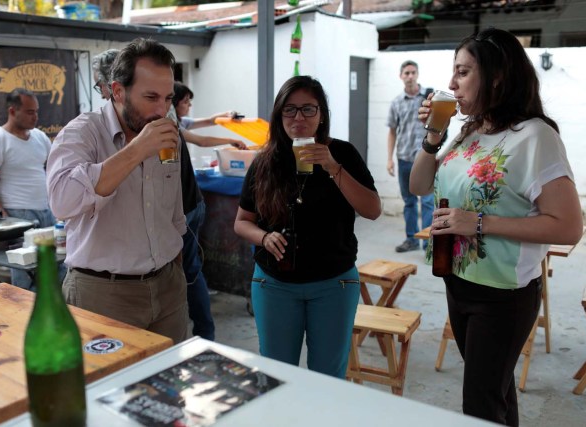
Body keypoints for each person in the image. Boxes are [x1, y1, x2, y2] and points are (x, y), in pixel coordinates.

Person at [410, 28, 583, 426]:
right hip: (458, 280)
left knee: (480, 406)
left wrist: (479, 223)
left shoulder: (535, 136)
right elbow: (419, 186)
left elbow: (569, 227)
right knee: (497, 394)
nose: (451, 84)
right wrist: (434, 135)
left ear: (498, 77)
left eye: (463, 72)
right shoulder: (469, 132)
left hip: (502, 295)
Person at [234, 76, 381, 378]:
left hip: (334, 284)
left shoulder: (343, 153)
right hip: (274, 284)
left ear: (322, 115)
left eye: (308, 109)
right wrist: (264, 237)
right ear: (279, 115)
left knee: (327, 377)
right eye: (290, 110)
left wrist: (332, 167)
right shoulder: (265, 162)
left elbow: (373, 210)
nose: (298, 118)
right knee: (276, 376)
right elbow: (241, 222)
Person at [46, 38, 189, 343]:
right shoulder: (81, 132)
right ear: (117, 90)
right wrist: (136, 150)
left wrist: (175, 270)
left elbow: (173, 211)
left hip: (167, 286)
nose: (162, 109)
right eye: (151, 97)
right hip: (102, 293)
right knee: (104, 387)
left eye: (167, 98)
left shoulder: (165, 132)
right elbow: (62, 202)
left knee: (169, 385)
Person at [171, 82, 245, 341]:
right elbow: (198, 133)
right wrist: (229, 136)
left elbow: (200, 129)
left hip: (185, 206)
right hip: (190, 204)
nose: (188, 106)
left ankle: (203, 332)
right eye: (186, 101)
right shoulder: (172, 120)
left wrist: (223, 121)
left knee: (187, 270)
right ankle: (203, 331)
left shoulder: (169, 120)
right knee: (188, 269)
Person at [0, 88, 56, 290]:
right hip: (18, 216)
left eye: (36, 111)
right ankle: (22, 319)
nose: (35, 117)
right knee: (24, 279)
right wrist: (2, 216)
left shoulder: (40, 137)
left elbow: (52, 170)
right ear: (12, 111)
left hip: (47, 213)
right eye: (30, 112)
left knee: (56, 271)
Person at [387, 60, 434, 252]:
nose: (410, 76)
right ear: (401, 76)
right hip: (404, 158)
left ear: (418, 74)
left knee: (428, 202)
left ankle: (428, 243)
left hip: (425, 158)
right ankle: (411, 239)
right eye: (406, 73)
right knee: (409, 202)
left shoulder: (429, 99)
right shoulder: (396, 103)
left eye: (413, 72)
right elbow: (392, 131)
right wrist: (389, 159)